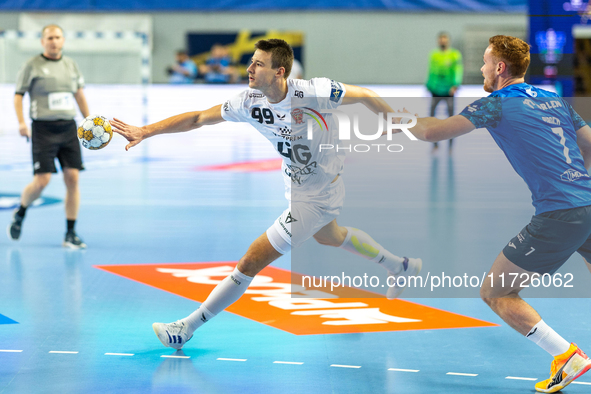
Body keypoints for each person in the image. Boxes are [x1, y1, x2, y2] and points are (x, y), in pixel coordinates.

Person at [112, 38, 421, 350]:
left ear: (279, 72)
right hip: (298, 184)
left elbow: (366, 94)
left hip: (317, 197)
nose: (249, 68)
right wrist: (146, 131)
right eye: (251, 61)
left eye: (258, 64)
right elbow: (197, 118)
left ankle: (187, 327)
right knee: (330, 236)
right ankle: (399, 265)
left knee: (250, 261)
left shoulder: (313, 91)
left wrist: (394, 119)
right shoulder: (249, 101)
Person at [407, 35, 591, 393]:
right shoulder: (555, 99)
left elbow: (431, 131)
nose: (481, 69)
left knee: (496, 292)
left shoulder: (497, 103)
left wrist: (386, 112)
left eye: (485, 62)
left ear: (500, 68)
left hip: (560, 214)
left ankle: (567, 356)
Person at [8, 24, 89, 249]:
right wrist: (22, 122)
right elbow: (18, 96)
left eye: (58, 37)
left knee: (73, 178)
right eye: (49, 38)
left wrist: (89, 119)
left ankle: (70, 233)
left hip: (69, 128)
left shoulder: (71, 65)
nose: (54, 41)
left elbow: (79, 94)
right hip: (43, 129)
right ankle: (21, 211)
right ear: (43, 41)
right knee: (42, 181)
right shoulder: (31, 66)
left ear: (63, 40)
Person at [425, 32, 463, 153]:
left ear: (448, 41)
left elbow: (458, 70)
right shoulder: (434, 54)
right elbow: (431, 70)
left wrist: (455, 85)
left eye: (445, 39)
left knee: (451, 118)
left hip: (449, 91)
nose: (443, 41)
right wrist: (429, 85)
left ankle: (451, 145)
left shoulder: (454, 55)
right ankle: (434, 144)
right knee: (431, 117)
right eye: (441, 39)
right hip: (435, 90)